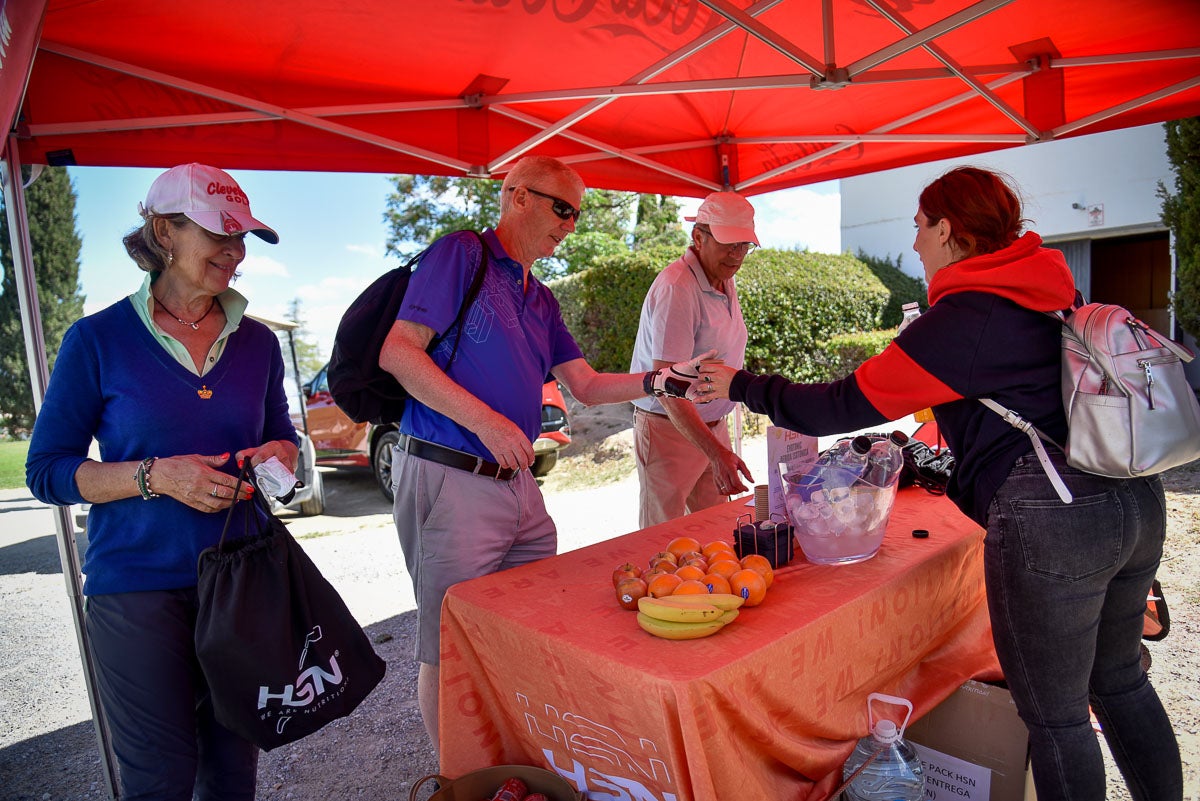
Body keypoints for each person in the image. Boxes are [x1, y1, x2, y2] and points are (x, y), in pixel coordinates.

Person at [695, 166, 1182, 801]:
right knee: (1118, 680)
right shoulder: (1045, 292)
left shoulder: (965, 318)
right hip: (1131, 496)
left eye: (920, 228)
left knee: (1057, 716)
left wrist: (741, 386)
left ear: (948, 229)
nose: (916, 244)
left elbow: (842, 405)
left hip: (1056, 515)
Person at [378, 155, 710, 755]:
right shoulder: (462, 254)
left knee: (526, 622)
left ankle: (512, 755)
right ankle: (460, 778)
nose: (571, 225)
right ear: (516, 195)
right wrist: (486, 421)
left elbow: (583, 385)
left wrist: (659, 382)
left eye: (578, 214)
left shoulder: (542, 295)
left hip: (516, 481)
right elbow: (399, 353)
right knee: (448, 642)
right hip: (451, 470)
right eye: (561, 208)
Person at [25, 163, 300, 801]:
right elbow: (49, 471)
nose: (235, 252)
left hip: (239, 578)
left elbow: (282, 441)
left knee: (233, 768)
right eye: (219, 234)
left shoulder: (257, 343)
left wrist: (279, 455)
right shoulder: (96, 340)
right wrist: (156, 477)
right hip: (137, 590)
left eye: (243, 238)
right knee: (160, 777)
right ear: (163, 232)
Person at [629, 191, 756, 527]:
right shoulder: (677, 288)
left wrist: (718, 443)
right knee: (662, 538)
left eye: (744, 245)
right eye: (729, 243)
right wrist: (716, 452)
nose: (737, 254)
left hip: (711, 428)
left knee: (716, 532)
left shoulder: (724, 278)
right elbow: (667, 387)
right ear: (698, 237)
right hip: (669, 429)